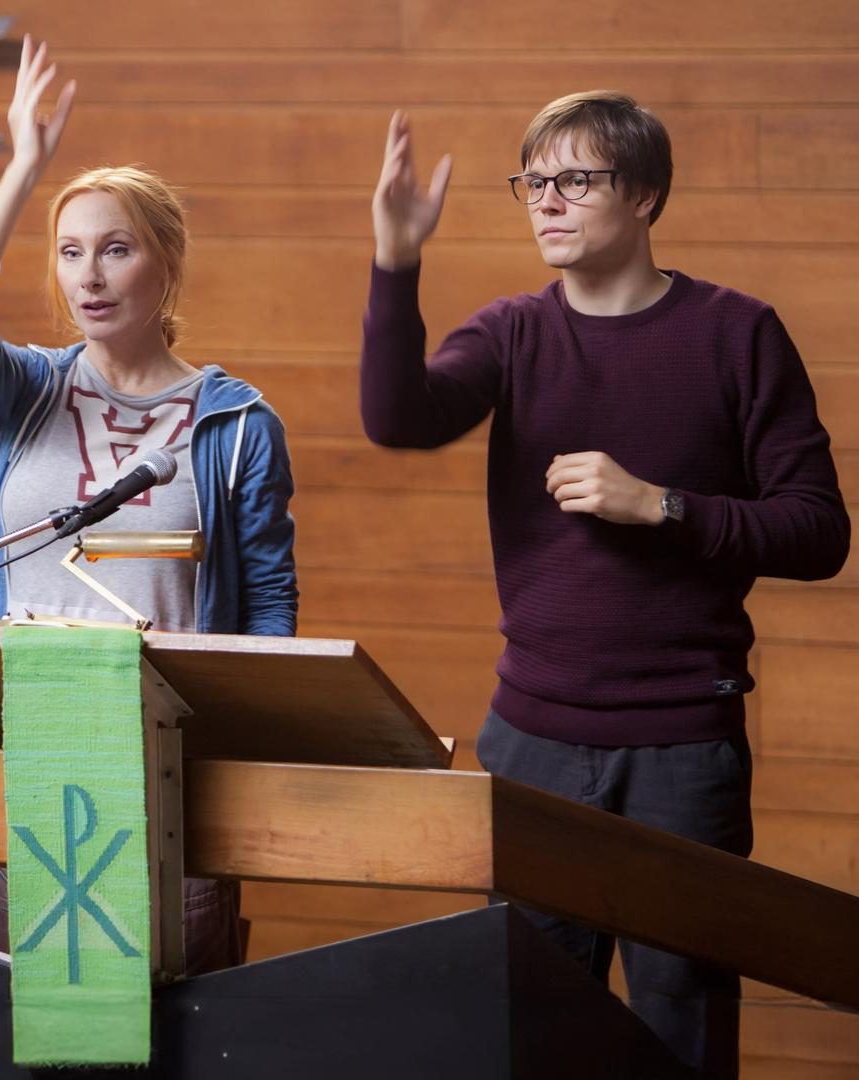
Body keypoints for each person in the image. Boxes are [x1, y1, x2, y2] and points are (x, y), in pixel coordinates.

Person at [362, 94, 848, 1076]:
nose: (548, 201)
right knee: (529, 1031)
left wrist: (663, 506)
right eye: (534, 183)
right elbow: (397, 416)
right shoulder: (511, 333)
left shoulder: (738, 334)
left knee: (685, 1034)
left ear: (647, 197)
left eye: (575, 180)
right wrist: (397, 259)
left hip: (683, 751)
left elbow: (818, 532)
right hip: (530, 743)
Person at [0, 37, 299, 975]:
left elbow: (271, 614)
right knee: (49, 1001)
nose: (88, 275)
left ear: (165, 264)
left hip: (173, 763)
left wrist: (242, 770)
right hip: (37, 738)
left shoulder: (238, 423)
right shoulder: (28, 392)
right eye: (71, 251)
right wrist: (22, 169)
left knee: (183, 1011)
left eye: (116, 249)